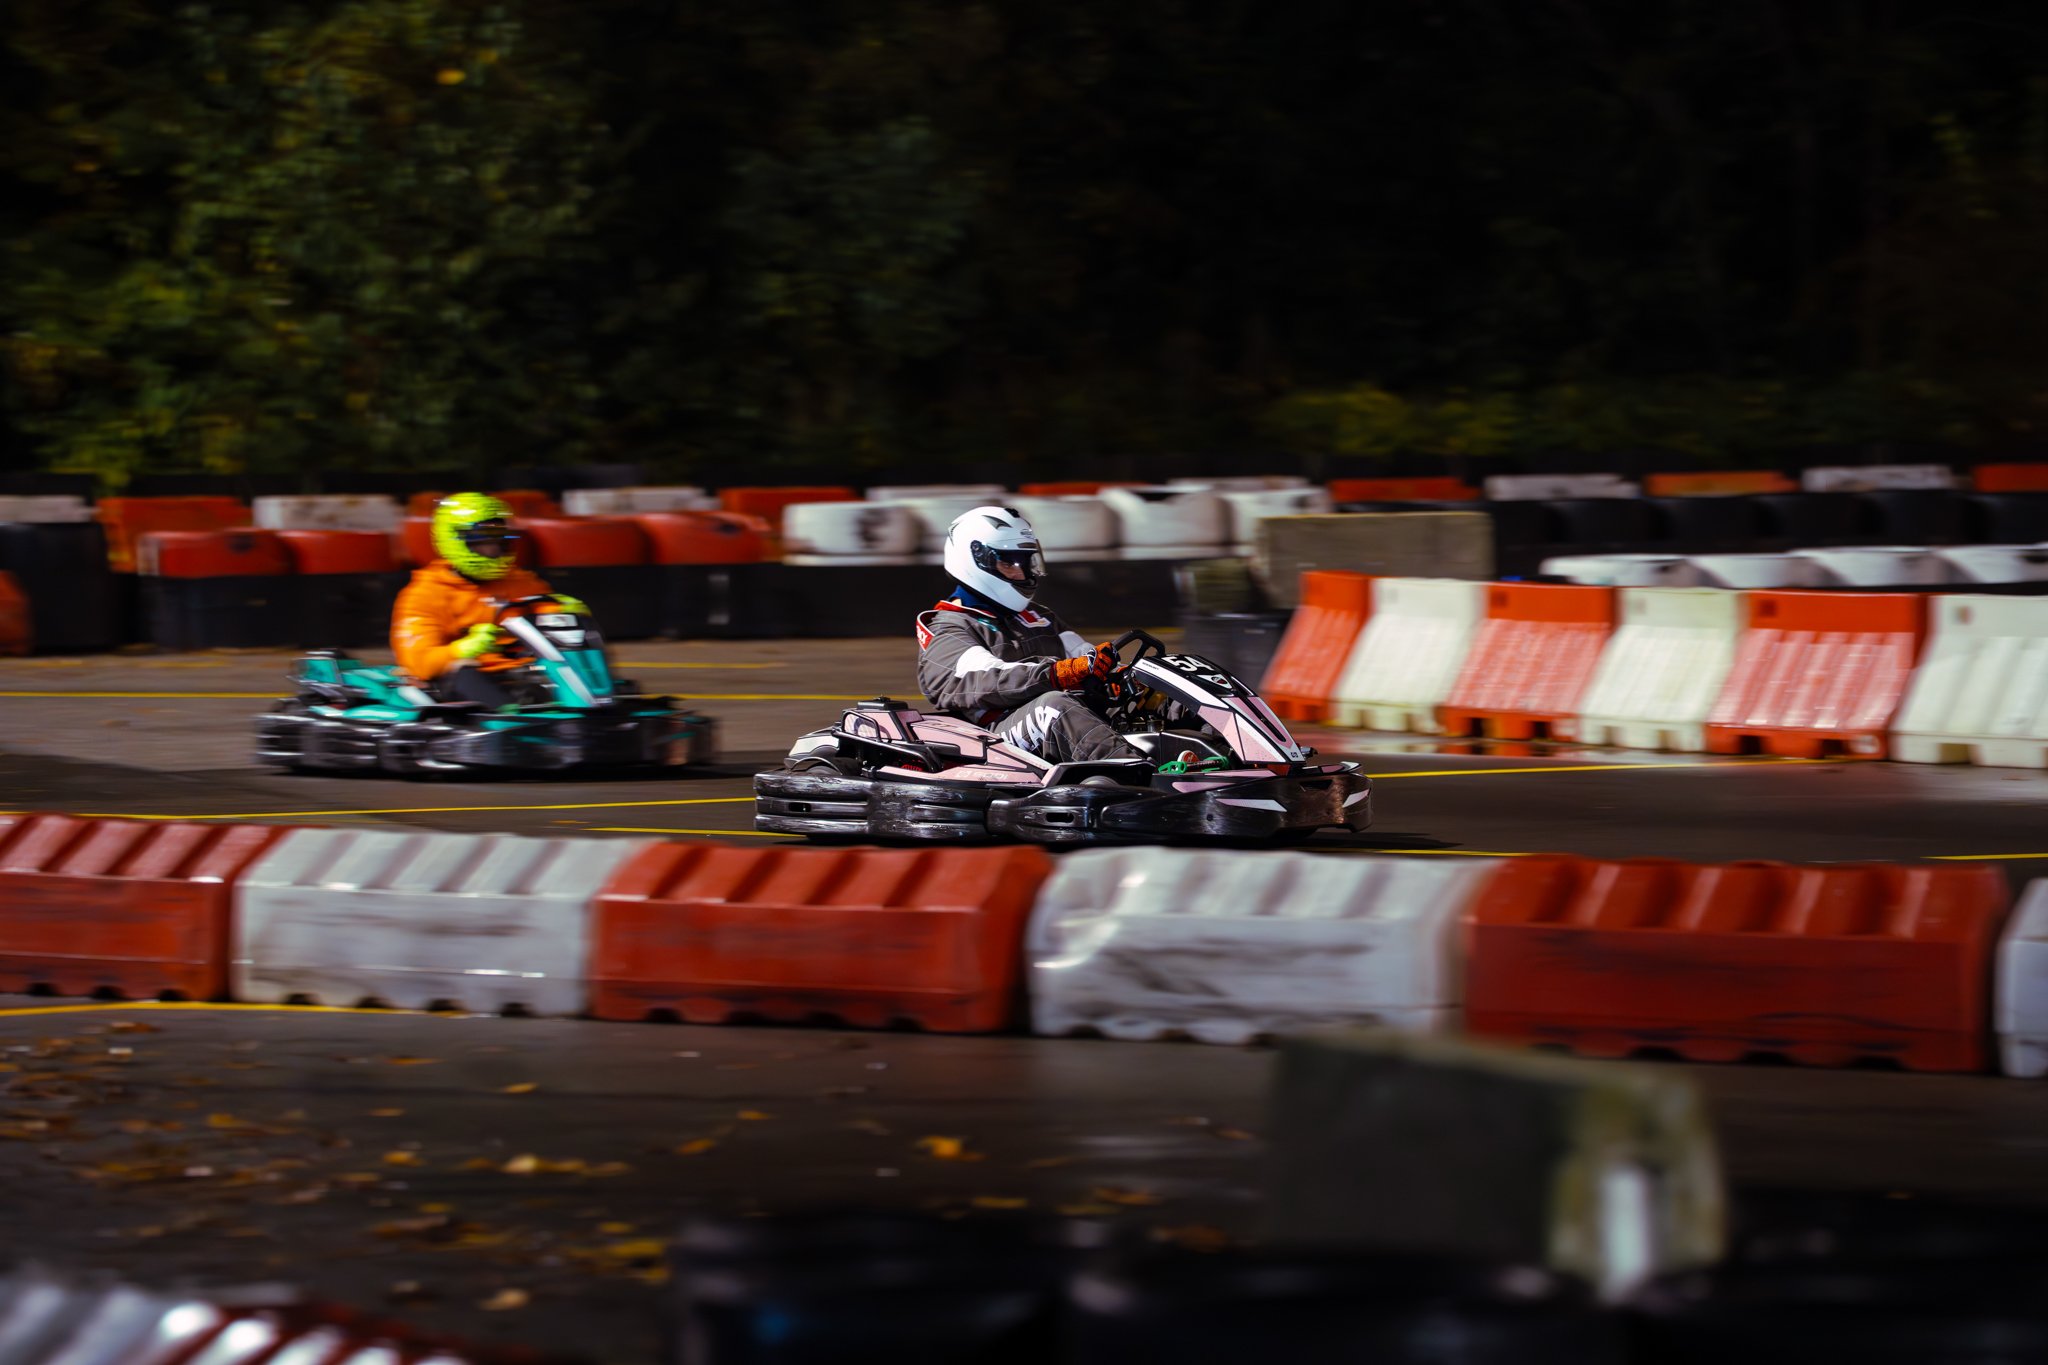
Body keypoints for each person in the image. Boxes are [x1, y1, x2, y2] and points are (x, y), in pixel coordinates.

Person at [916, 504, 1163, 765]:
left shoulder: (1037, 615)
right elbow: (986, 679)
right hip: (994, 735)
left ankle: (1193, 757)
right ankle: (1141, 775)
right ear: (976, 561)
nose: (1023, 573)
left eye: (1026, 562)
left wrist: (1117, 675)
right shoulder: (948, 626)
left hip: (1068, 711)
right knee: (1053, 707)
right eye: (1009, 563)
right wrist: (1056, 673)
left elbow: (1083, 656)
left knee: (1156, 688)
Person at [391, 492, 583, 708]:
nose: (494, 549)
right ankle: (506, 718)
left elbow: (549, 616)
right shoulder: (424, 594)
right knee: (463, 670)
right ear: (456, 539)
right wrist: (462, 649)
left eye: (499, 539)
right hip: (465, 682)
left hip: (521, 673)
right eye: (483, 540)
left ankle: (593, 704)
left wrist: (566, 612)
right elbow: (419, 662)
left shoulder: (521, 581)